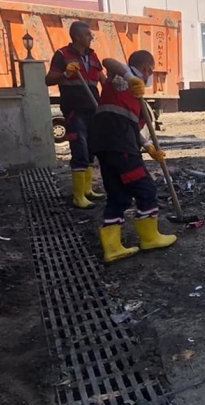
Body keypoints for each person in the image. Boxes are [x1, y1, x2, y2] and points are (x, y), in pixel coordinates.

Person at [88, 50, 177, 263]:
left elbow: (130, 124)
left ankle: (112, 249)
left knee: (118, 195)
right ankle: (150, 238)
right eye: (151, 71)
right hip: (121, 147)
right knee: (145, 189)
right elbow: (108, 61)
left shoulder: (135, 97)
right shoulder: (122, 78)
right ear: (146, 69)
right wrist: (130, 77)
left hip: (105, 145)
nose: (149, 76)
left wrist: (148, 146)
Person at [46, 21, 108, 208]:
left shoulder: (93, 55)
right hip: (75, 110)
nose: (91, 37)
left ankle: (88, 190)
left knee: (90, 150)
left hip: (93, 109)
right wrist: (65, 73)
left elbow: (102, 79)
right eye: (88, 34)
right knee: (79, 149)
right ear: (77, 36)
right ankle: (78, 197)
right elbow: (48, 79)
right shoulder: (62, 55)